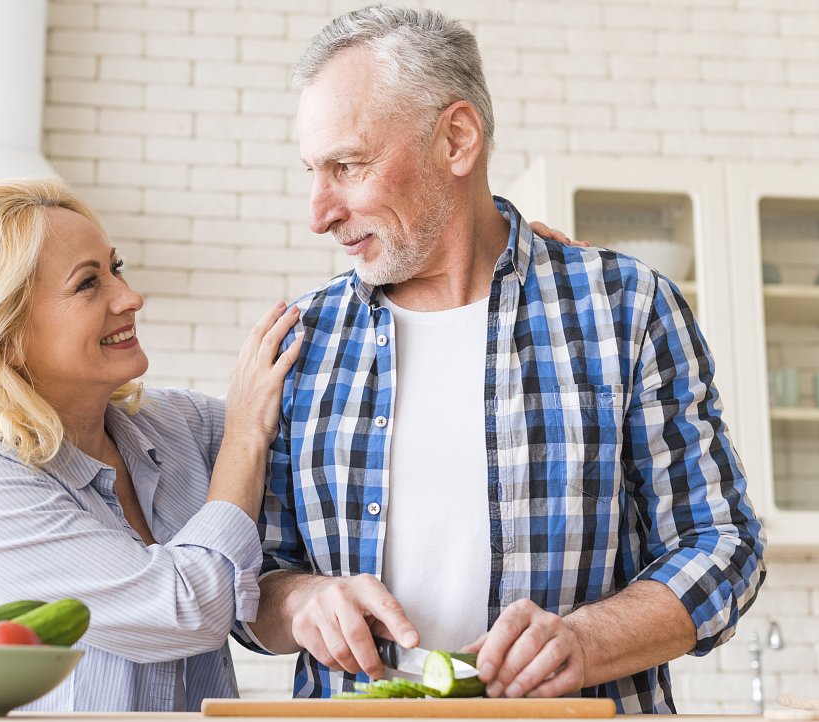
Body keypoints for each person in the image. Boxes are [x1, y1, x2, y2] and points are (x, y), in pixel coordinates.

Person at [235, 5, 766, 714]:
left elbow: (724, 545)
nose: (318, 211)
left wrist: (587, 642)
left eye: (348, 165)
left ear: (456, 139)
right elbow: (249, 583)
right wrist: (303, 601)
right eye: (312, 170)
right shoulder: (302, 342)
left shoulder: (625, 309)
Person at [0, 177, 301, 712]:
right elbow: (186, 611)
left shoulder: (172, 426)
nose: (130, 297)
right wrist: (246, 436)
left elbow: (309, 438)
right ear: (8, 333)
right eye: (88, 284)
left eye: (115, 267)